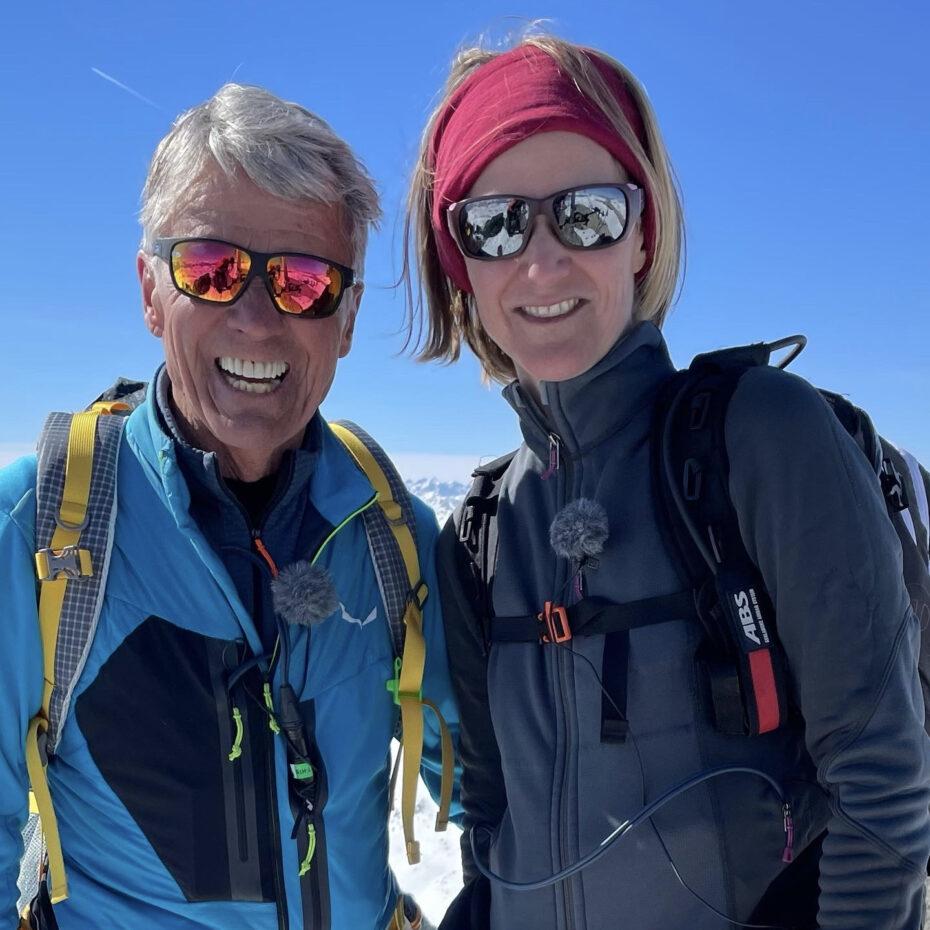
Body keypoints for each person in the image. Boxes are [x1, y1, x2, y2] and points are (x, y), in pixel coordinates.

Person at [404, 34, 930, 930]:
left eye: (588, 213)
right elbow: (491, 824)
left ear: (643, 231)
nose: (541, 260)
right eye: (495, 223)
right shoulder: (483, 531)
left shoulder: (761, 437)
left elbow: (882, 783)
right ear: (461, 263)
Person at [0, 83, 459, 930]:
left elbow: (495, 794)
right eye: (209, 270)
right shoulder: (40, 527)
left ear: (348, 316)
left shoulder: (394, 535)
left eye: (304, 280)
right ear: (149, 292)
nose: (253, 318)